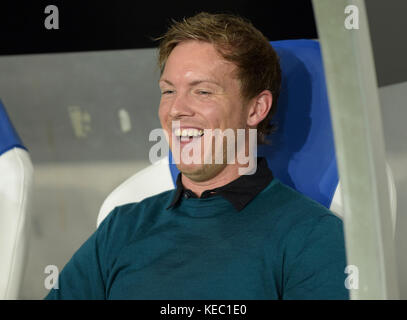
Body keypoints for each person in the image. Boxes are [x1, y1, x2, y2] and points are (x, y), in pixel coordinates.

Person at [45, 12, 349, 300]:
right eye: (168, 91)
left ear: (256, 109)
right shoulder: (121, 227)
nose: (176, 109)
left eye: (202, 91)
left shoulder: (313, 237)